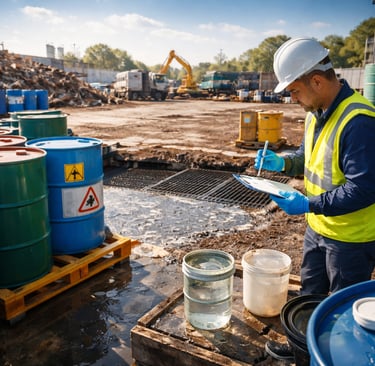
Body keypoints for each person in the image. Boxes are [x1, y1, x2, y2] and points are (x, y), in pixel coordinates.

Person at [254, 37, 375, 361]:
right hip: (317, 230)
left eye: (294, 91)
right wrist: (284, 162)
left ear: (317, 80)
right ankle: (300, 353)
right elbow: (308, 158)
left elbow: (364, 189)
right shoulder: (316, 111)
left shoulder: (359, 122)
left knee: (340, 313)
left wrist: (308, 204)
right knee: (309, 297)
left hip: (350, 241)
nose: (293, 99)